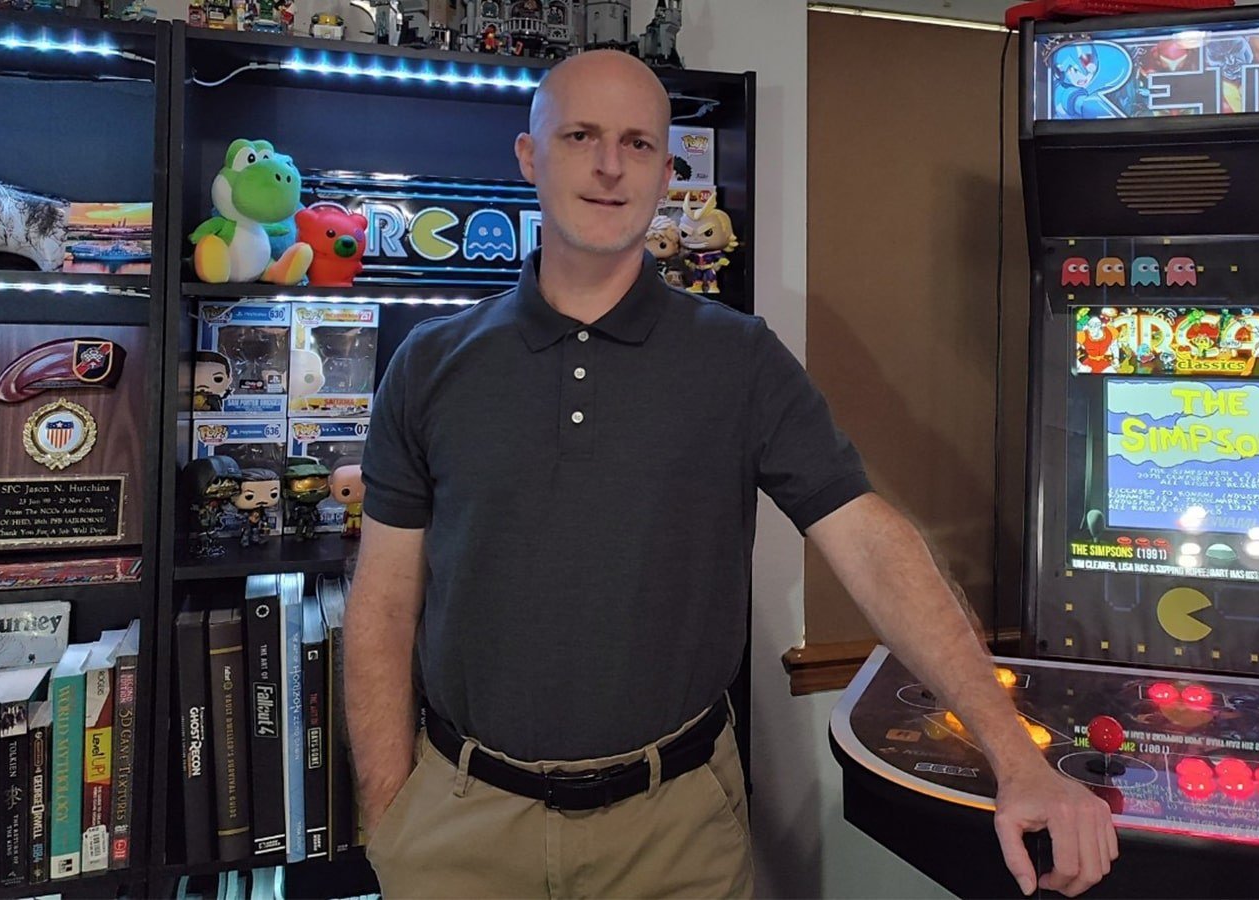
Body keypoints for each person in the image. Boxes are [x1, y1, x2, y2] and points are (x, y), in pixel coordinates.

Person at [346, 49, 1116, 899]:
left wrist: (1016, 758)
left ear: (666, 170)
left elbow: (867, 540)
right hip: (463, 829)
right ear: (530, 156)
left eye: (639, 144)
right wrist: (390, 814)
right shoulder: (430, 364)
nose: (610, 165)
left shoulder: (738, 358)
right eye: (580, 136)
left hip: (675, 834)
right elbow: (383, 603)